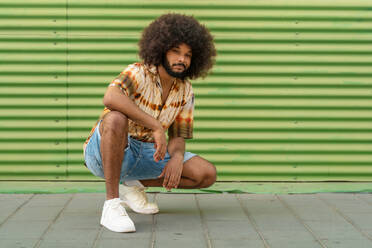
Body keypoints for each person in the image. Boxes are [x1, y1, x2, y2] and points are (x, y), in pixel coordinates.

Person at [83, 13, 217, 233]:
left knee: (206, 173)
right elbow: (110, 96)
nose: (181, 59)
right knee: (115, 117)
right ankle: (112, 205)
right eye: (175, 51)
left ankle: (134, 185)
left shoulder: (186, 91)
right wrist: (155, 125)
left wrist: (176, 157)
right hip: (104, 152)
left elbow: (178, 136)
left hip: (145, 154)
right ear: (161, 49)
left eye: (188, 55)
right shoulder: (139, 72)